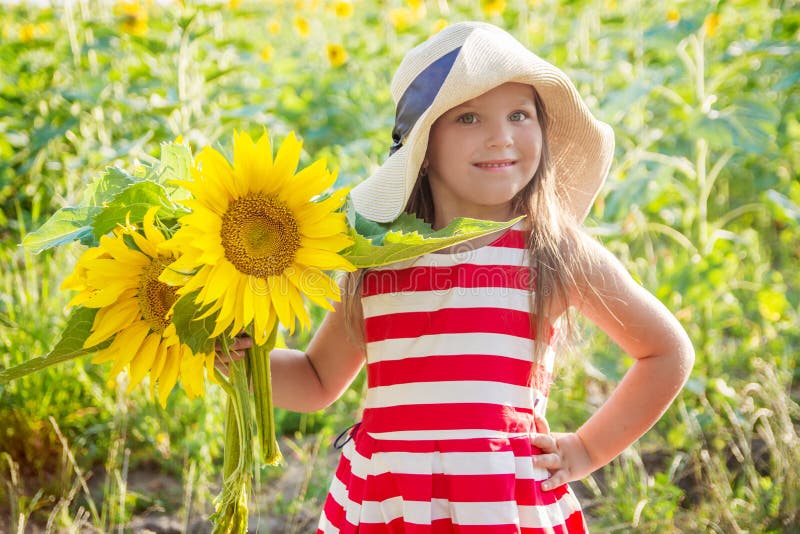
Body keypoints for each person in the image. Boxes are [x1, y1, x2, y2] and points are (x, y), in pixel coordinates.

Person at [219, 21, 694, 533]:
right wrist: (246, 363)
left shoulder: (551, 251)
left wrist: (585, 449)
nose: (501, 137)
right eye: (469, 117)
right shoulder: (377, 258)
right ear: (422, 150)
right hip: (389, 498)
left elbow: (666, 351)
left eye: (520, 115)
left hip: (498, 500)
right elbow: (316, 381)